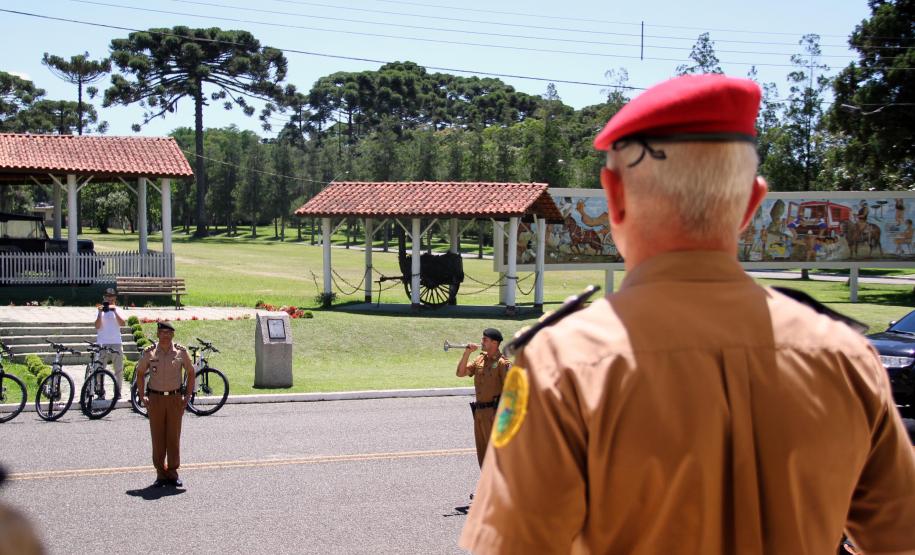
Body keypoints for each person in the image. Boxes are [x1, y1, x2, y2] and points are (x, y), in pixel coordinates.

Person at [460, 75, 915, 554]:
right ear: (752, 203)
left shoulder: (561, 362)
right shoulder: (847, 357)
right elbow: (899, 538)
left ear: (613, 195)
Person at [135, 321, 195, 488]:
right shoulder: (150, 353)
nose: (165, 336)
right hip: (156, 399)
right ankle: (161, 473)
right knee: (158, 437)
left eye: (169, 333)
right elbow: (140, 373)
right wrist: (142, 396)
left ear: (173, 335)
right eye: (162, 332)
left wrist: (188, 396)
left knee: (173, 437)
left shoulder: (181, 353)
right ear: (158, 334)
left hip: (175, 399)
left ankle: (173, 472)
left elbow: (191, 373)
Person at [455, 328, 511, 468]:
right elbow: (460, 373)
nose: (482, 342)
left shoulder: (502, 363)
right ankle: (486, 488)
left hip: (494, 414)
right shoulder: (480, 359)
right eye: (482, 339)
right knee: (482, 452)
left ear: (495, 342)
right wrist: (467, 352)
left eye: (485, 339)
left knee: (497, 453)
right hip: (479, 413)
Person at [94, 287, 126, 397]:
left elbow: (122, 323)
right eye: (108, 297)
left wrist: (115, 311)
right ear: (105, 298)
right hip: (102, 342)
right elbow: (97, 326)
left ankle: (117, 392)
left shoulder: (119, 309)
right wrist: (99, 313)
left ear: (115, 298)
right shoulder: (100, 310)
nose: (110, 299)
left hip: (116, 342)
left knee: (118, 370)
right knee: (99, 369)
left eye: (112, 297)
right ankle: (100, 392)